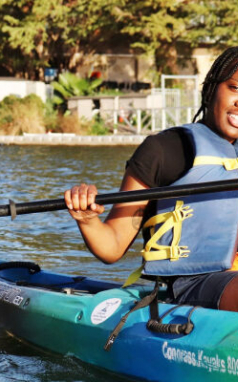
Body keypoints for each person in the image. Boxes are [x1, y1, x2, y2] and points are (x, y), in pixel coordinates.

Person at [65, 46, 238, 312]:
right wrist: (87, 219)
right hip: (188, 284)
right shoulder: (163, 151)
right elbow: (112, 246)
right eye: (234, 88)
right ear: (212, 88)